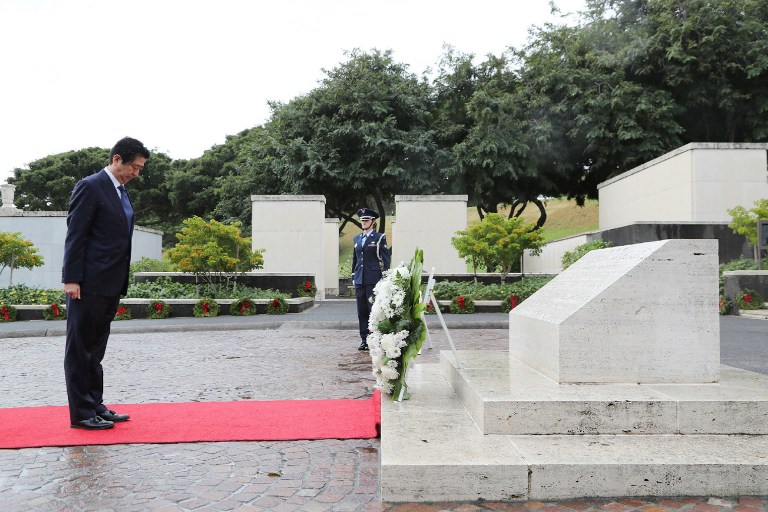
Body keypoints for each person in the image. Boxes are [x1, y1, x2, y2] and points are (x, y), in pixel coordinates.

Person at [62, 137, 150, 430]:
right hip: (87, 284)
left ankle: (95, 405)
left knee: (96, 349)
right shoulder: (90, 186)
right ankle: (81, 413)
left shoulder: (121, 191)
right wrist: (71, 278)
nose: (136, 173)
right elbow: (76, 234)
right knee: (80, 349)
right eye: (134, 167)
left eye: (140, 169)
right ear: (116, 159)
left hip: (111, 283)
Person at [351, 207, 391, 350]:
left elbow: (386, 258)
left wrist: (386, 277)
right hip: (360, 279)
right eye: (362, 220)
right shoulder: (357, 238)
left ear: (372, 222)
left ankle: (374, 338)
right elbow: (355, 259)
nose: (364, 222)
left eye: (366, 220)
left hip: (373, 279)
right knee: (361, 311)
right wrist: (353, 275)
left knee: (373, 310)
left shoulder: (379, 237)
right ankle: (364, 340)